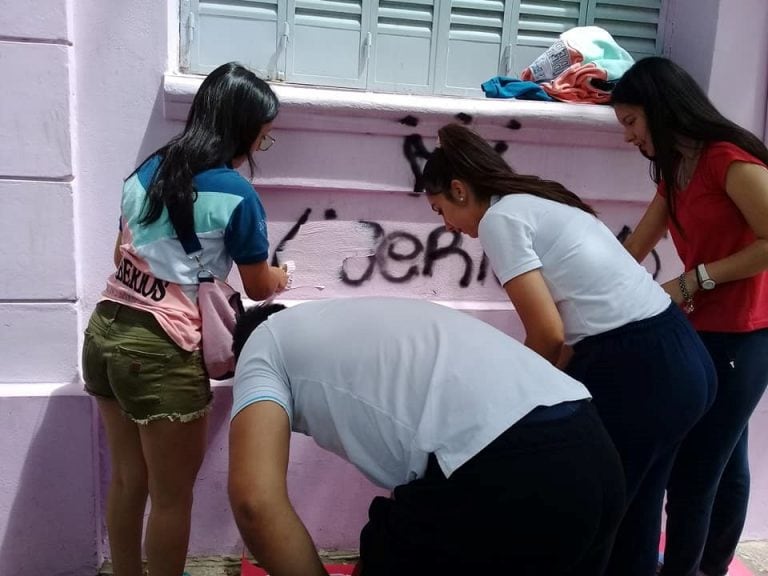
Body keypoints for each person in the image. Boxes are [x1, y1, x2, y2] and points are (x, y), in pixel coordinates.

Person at [420, 123, 716, 576]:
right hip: (680, 355)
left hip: (641, 367)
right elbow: (566, 339)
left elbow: (549, 335)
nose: (448, 227)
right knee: (634, 514)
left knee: (590, 513)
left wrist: (511, 402)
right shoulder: (537, 201)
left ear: (460, 190)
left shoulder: (500, 219)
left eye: (441, 211)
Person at [228, 297, 626, 576]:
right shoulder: (355, 320)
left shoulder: (263, 345)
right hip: (596, 452)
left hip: (513, 470)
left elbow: (254, 502)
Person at [81, 62, 289, 576]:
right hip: (161, 349)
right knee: (172, 498)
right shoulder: (236, 195)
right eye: (262, 139)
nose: (258, 150)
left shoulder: (145, 171)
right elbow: (259, 287)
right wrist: (283, 276)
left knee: (129, 481)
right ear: (241, 130)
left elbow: (118, 255)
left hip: (105, 331)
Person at [612, 56, 768, 576]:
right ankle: (711, 566)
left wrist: (693, 280)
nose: (628, 137)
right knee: (727, 460)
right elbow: (635, 248)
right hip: (700, 332)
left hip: (744, 335)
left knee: (694, 473)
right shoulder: (677, 169)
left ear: (660, 109)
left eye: (632, 122)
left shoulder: (730, 158)